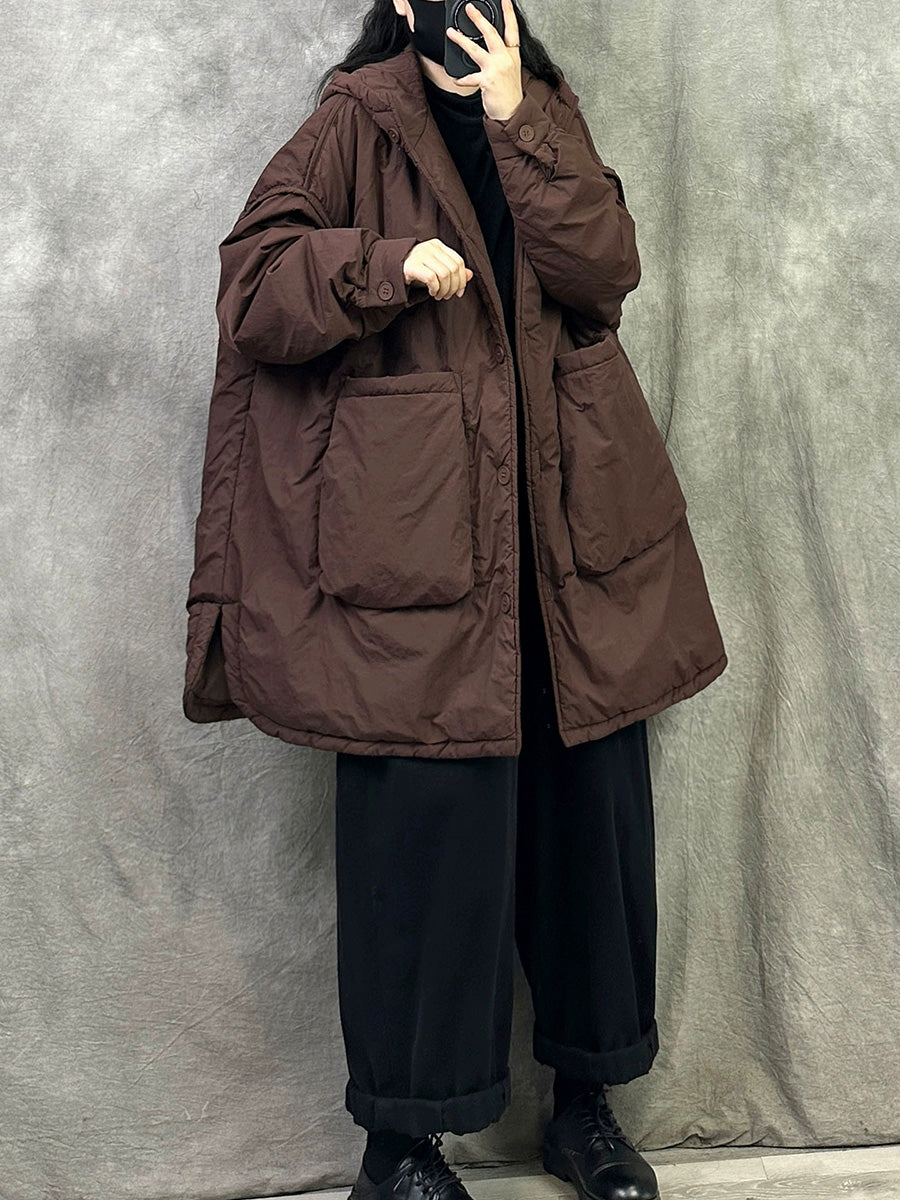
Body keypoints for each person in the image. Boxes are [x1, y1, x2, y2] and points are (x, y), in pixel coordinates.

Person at [183, 0, 729, 1197]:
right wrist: (381, 266)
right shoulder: (352, 123)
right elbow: (254, 286)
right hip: (418, 550)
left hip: (566, 546)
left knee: (593, 829)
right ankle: (400, 1150)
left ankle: (585, 1113)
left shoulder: (546, 109)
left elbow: (606, 270)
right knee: (423, 847)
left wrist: (520, 122)